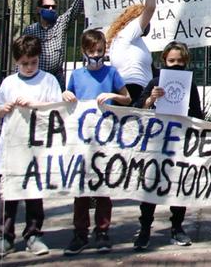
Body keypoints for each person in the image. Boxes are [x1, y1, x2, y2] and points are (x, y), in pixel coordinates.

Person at [0, 35, 62, 259]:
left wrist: (34, 105)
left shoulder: (48, 80)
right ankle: (5, 236)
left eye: (33, 62)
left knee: (33, 192)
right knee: (8, 193)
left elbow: (56, 109)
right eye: (24, 63)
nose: (29, 67)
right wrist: (6, 107)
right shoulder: (10, 83)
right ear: (16, 62)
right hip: (12, 148)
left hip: (36, 147)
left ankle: (33, 234)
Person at [61, 28, 131, 254]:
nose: (96, 55)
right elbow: (67, 102)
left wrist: (113, 96)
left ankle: (102, 230)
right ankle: (79, 233)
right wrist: (66, 95)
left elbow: (127, 98)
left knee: (102, 188)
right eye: (92, 52)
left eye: (100, 51)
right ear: (84, 51)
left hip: (105, 138)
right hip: (81, 140)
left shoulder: (111, 74)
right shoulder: (77, 75)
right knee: (81, 189)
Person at [135, 41, 202, 250]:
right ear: (164, 60)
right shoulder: (155, 82)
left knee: (178, 183)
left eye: (180, 61)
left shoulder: (190, 84)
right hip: (156, 141)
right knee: (151, 184)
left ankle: (177, 227)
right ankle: (145, 229)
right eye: (171, 61)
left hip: (179, 140)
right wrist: (150, 99)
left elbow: (197, 112)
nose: (175, 65)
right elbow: (137, 108)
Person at [106, 0, 158, 104]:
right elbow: (150, 7)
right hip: (133, 90)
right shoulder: (128, 33)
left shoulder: (128, 39)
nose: (148, 24)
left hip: (135, 89)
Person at [22, 0, 86, 84]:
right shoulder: (30, 30)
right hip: (35, 76)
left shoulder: (60, 23)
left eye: (53, 7)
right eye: (47, 7)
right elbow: (22, 54)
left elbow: (76, 8)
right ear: (38, 9)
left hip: (56, 77)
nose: (50, 9)